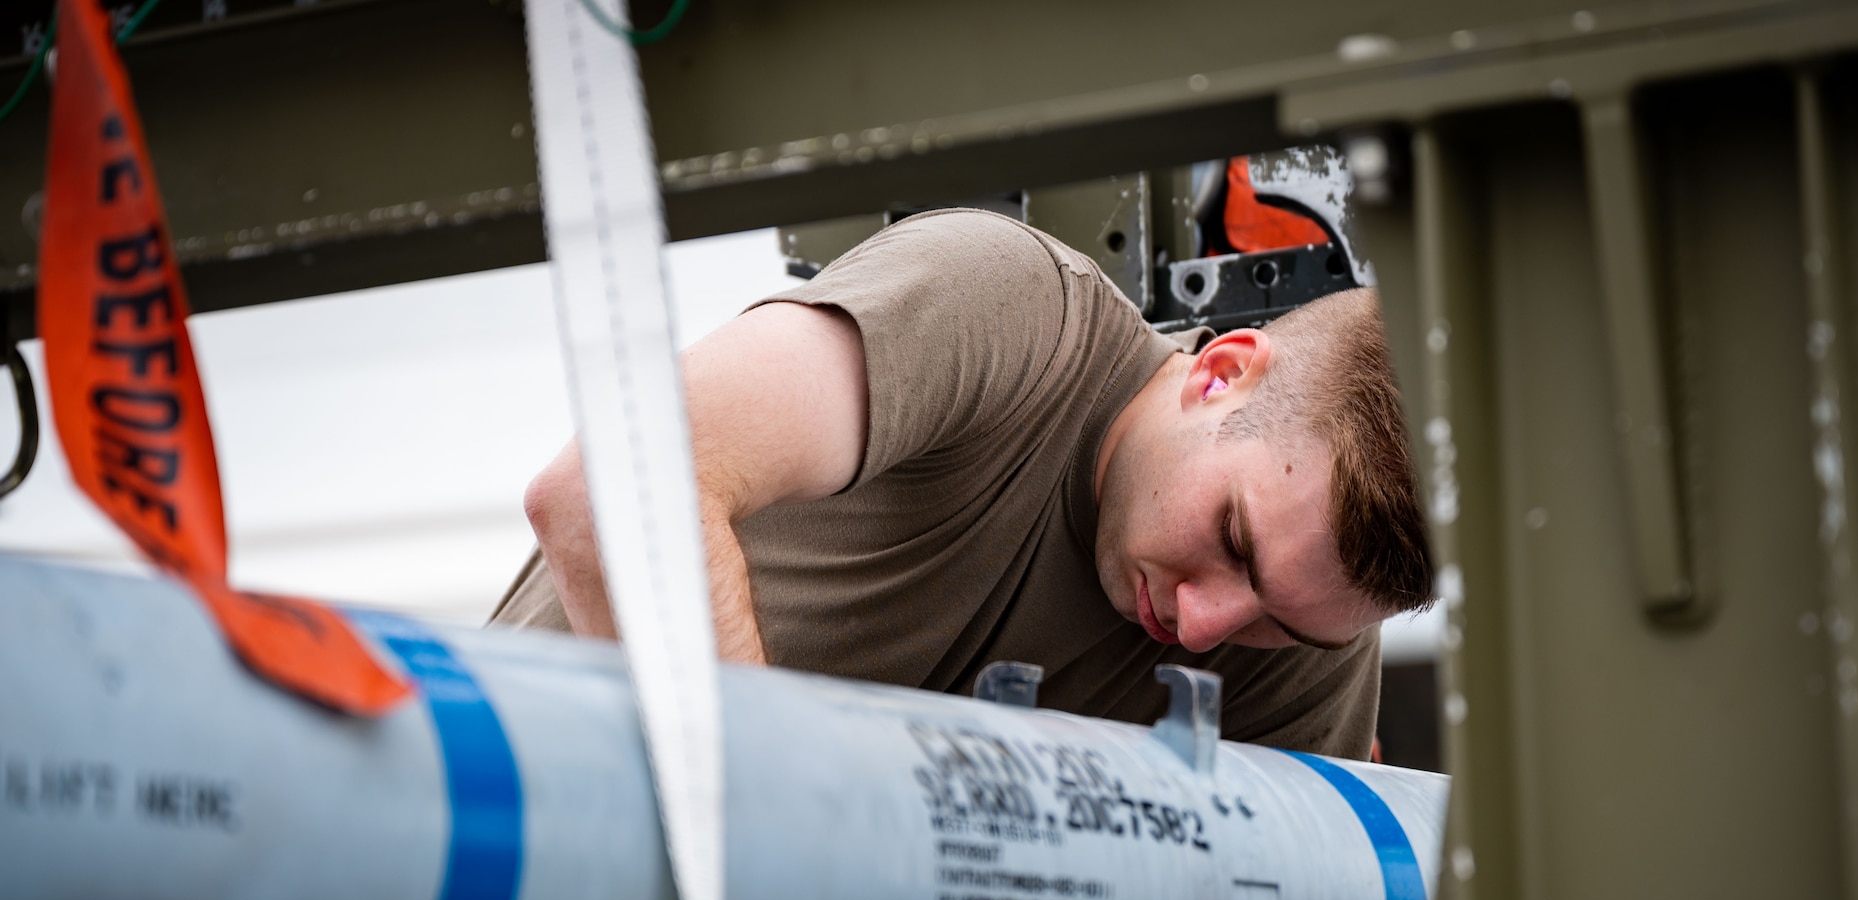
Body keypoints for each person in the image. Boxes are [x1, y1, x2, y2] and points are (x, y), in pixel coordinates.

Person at [492, 208, 1431, 758]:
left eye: (1280, 623)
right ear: (1219, 372)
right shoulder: (1010, 310)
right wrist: (772, 820)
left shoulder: (1311, 641)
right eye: (1232, 539)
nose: (1204, 625)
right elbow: (608, 489)